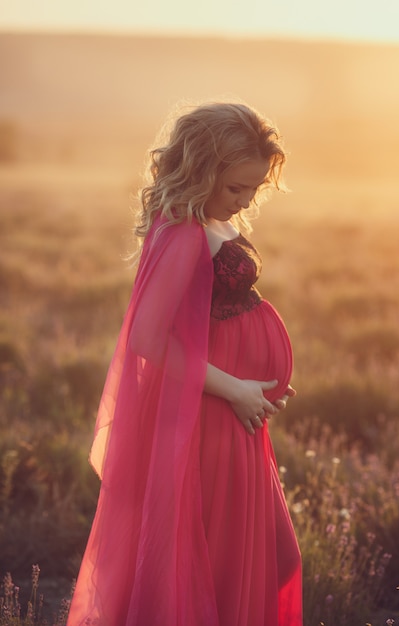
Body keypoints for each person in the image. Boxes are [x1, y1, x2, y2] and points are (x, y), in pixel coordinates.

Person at [67, 102, 303, 626]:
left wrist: (257, 388)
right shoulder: (182, 232)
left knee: (269, 555)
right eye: (235, 188)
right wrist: (237, 389)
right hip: (209, 412)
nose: (245, 200)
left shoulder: (209, 221)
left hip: (234, 408)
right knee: (222, 561)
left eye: (255, 189)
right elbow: (149, 337)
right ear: (201, 170)